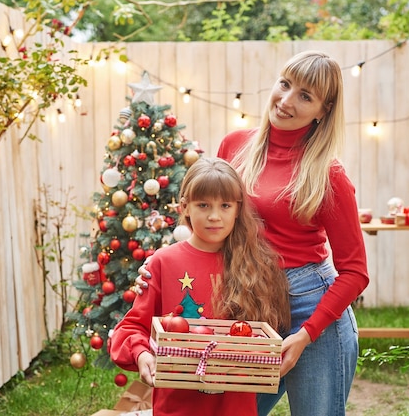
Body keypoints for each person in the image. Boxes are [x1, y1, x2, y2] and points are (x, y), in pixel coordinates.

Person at [137, 50, 370, 416]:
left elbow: (356, 272)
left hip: (312, 309)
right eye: (285, 84)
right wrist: (162, 265)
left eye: (305, 96)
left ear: (323, 110)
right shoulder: (235, 147)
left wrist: (306, 333)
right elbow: (210, 220)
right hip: (248, 301)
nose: (287, 100)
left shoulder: (329, 175)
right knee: (224, 410)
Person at [109, 157, 291, 416]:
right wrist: (141, 354)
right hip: (176, 406)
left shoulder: (254, 265)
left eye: (225, 205)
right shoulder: (162, 262)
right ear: (185, 207)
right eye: (203, 205)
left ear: (238, 209)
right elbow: (130, 328)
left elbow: (263, 336)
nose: (214, 216)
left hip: (235, 408)